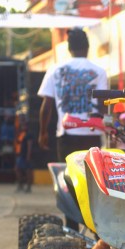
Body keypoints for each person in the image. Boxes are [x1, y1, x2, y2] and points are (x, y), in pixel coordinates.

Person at [38, 28, 108, 162]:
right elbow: (103, 105)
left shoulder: (55, 70)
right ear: (87, 47)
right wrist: (107, 127)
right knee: (91, 178)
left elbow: (47, 106)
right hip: (92, 133)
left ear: (69, 48)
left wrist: (43, 132)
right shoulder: (99, 71)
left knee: (68, 177)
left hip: (66, 133)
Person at [14, 113, 34, 193]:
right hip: (20, 154)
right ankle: (21, 184)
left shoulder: (28, 133)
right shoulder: (20, 133)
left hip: (25, 155)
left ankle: (28, 187)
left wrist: (28, 156)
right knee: (18, 169)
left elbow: (30, 145)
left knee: (28, 171)